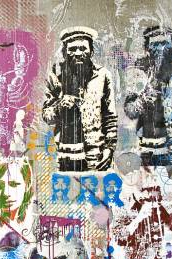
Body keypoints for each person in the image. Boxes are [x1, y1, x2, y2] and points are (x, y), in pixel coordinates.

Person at [42, 27, 117, 172]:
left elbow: (110, 117)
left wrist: (109, 149)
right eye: (72, 49)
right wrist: (59, 106)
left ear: (91, 52)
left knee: (97, 193)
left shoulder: (102, 76)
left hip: (97, 155)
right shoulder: (55, 76)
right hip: (65, 155)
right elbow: (47, 115)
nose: (77, 53)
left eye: (82, 48)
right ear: (64, 52)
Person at [124, 26, 172, 169]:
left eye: (165, 43)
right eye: (155, 44)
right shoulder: (138, 71)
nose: (161, 48)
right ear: (147, 48)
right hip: (146, 148)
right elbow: (130, 111)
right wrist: (142, 99)